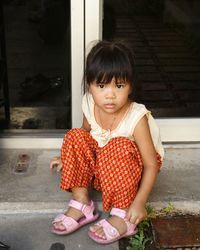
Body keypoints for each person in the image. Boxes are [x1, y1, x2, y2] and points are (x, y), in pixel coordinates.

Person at [50, 40, 164, 244]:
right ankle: (82, 202)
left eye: (119, 86)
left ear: (130, 86)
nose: (110, 95)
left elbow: (151, 164)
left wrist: (140, 203)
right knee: (74, 135)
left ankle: (123, 213)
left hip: (130, 176)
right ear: (90, 85)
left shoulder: (136, 117)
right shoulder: (89, 102)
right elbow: (85, 134)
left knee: (119, 145)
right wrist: (68, 156)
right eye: (101, 86)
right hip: (104, 171)